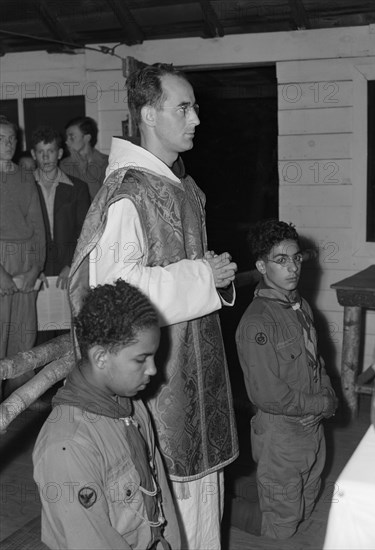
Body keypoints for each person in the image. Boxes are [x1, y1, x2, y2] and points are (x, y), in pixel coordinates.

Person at [68, 63, 239, 549]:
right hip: (162, 383)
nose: (196, 119)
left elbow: (170, 264)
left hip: (192, 370)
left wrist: (209, 271)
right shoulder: (129, 194)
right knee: (173, 507)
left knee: (205, 506)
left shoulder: (175, 184)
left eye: (195, 107)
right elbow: (118, 294)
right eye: (183, 108)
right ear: (147, 113)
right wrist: (204, 276)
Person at [33, 279, 180, 549]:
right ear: (101, 358)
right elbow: (91, 541)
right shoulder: (67, 447)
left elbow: (162, 500)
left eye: (154, 357)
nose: (153, 370)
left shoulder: (132, 406)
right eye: (141, 359)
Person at [235, 219, 338, 540]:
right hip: (281, 430)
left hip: (311, 424)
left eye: (296, 258)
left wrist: (328, 398)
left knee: (307, 497)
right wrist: (317, 404)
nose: (292, 267)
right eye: (281, 260)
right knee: (280, 527)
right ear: (261, 266)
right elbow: (267, 393)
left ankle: (264, 496)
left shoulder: (299, 305)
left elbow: (315, 360)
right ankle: (224, 508)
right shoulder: (257, 323)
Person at [0, 116, 45, 398]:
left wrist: (34, 268)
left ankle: (18, 406)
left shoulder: (25, 177)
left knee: (23, 337)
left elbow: (39, 227)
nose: (7, 144)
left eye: (12, 139)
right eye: (1, 138)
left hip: (25, 258)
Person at [31, 126, 90, 292]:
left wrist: (72, 264)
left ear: (60, 153)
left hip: (69, 268)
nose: (45, 157)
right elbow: (22, 231)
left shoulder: (78, 188)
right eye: (40, 151)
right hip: (35, 271)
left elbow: (85, 231)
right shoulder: (25, 187)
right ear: (33, 154)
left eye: (50, 151)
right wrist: (32, 268)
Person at [60, 116, 108, 200]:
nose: (67, 142)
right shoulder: (65, 165)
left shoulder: (105, 163)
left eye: (71, 137)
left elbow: (100, 200)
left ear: (87, 138)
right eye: (67, 137)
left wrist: (84, 172)